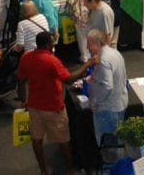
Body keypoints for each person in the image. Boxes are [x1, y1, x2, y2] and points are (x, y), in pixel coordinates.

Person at [17, 32, 94, 175]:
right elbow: (69, 79)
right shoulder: (52, 61)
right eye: (52, 42)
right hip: (54, 107)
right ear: (47, 44)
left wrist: (23, 100)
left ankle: (43, 171)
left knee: (37, 139)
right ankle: (69, 170)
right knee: (64, 139)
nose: (54, 44)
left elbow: (21, 82)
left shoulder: (26, 57)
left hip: (34, 106)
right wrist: (88, 64)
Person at [86, 30, 127, 144]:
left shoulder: (103, 59)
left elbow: (107, 86)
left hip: (107, 108)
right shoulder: (115, 53)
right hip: (118, 104)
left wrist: (95, 102)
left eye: (89, 44)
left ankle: (110, 162)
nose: (87, 47)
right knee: (117, 140)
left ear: (97, 44)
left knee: (108, 145)